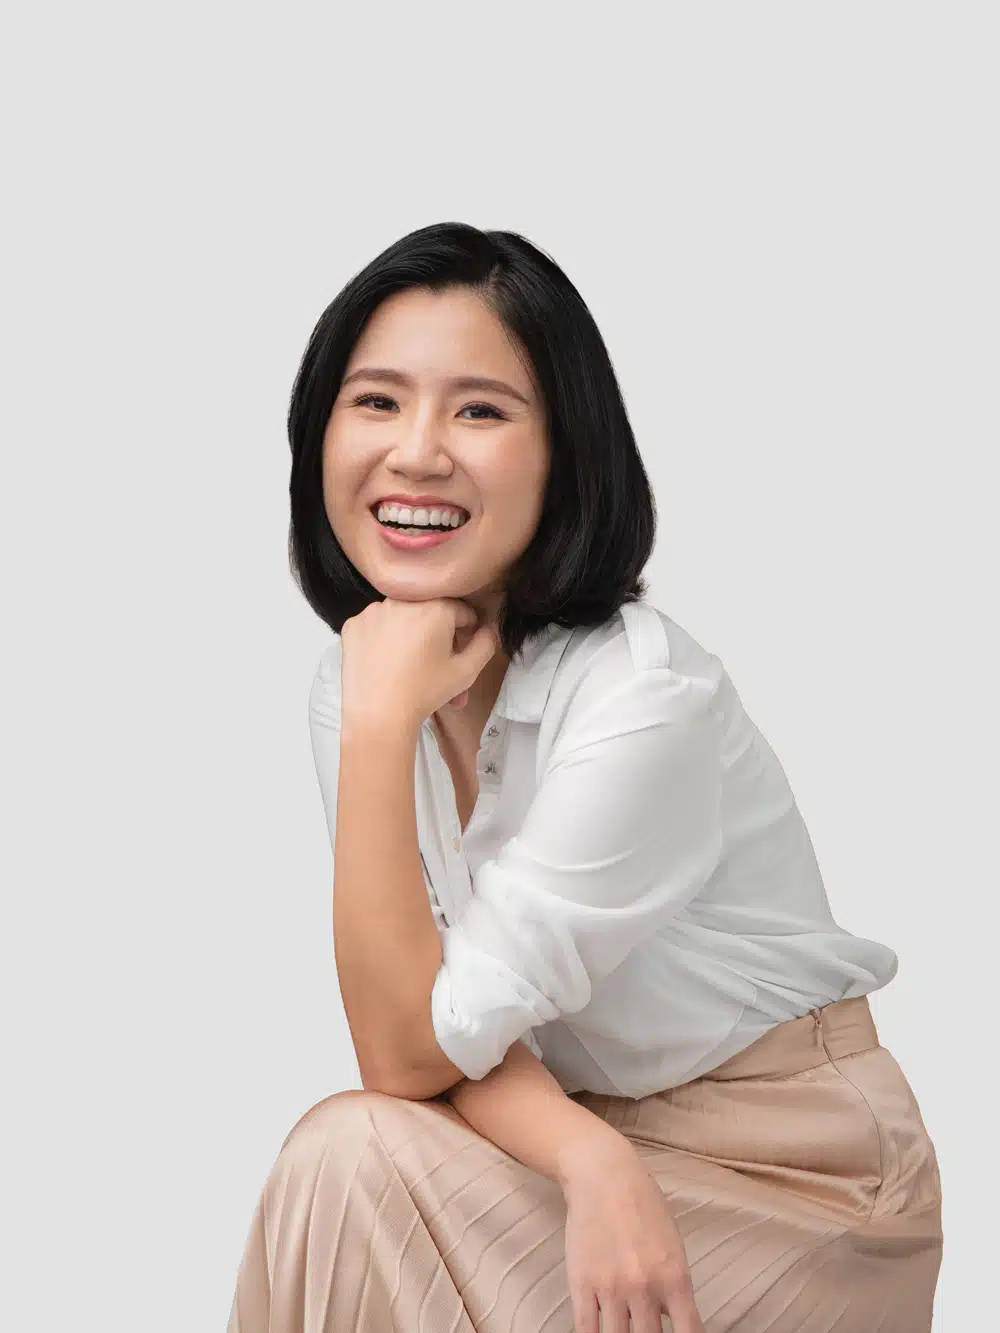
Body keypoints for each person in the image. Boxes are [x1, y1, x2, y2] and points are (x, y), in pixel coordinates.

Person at [226, 222, 943, 1333]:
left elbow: (407, 1049)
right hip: (563, 1132)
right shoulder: (365, 684)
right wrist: (591, 1157)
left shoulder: (642, 698)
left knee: (351, 1160)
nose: (416, 451)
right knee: (348, 1159)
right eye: (374, 401)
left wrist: (593, 1158)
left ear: (567, 452)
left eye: (479, 409)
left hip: (798, 1174)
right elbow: (422, 1037)